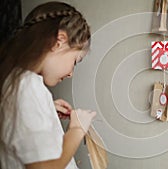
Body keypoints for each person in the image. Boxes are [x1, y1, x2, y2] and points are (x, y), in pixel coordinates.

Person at [0, 2, 96, 169]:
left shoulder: (17, 81)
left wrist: (47, 109)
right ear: (59, 41)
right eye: (75, 61)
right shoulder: (27, 88)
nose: (71, 73)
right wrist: (77, 129)